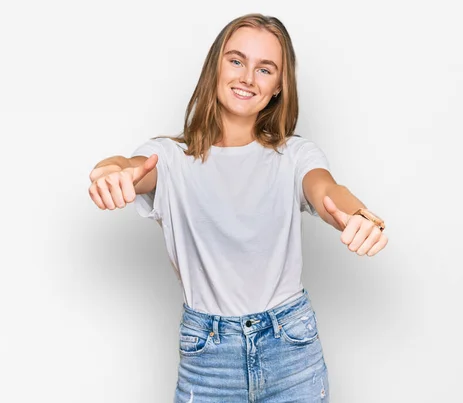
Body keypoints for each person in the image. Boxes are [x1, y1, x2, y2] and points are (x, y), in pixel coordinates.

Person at [88, 13, 387, 403]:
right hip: (207, 357)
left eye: (265, 69)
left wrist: (359, 215)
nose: (247, 77)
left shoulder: (294, 155)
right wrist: (109, 172)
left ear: (279, 86)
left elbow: (327, 190)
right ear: (215, 66)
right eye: (236, 60)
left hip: (291, 348)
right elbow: (129, 168)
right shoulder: (171, 158)